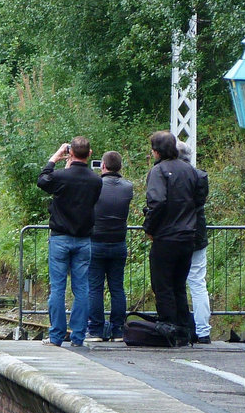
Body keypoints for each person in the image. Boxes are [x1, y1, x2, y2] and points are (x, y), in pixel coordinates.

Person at [37, 136, 103, 347]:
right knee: (81, 289)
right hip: (83, 240)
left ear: (70, 153)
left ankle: (56, 336)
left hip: (60, 239)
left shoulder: (61, 177)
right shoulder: (96, 180)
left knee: (58, 288)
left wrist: (55, 158)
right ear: (90, 154)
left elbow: (42, 180)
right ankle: (78, 337)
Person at [142, 131, 203, 344]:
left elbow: (157, 202)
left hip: (166, 235)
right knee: (179, 285)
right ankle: (184, 329)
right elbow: (197, 200)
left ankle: (168, 328)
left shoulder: (158, 171)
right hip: (187, 235)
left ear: (157, 151)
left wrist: (149, 226)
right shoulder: (190, 170)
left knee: (162, 284)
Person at [87, 151, 133, 342]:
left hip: (96, 241)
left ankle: (96, 330)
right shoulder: (128, 187)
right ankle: (118, 330)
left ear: (103, 166)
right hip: (118, 242)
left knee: (95, 288)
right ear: (120, 167)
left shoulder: (95, 185)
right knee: (117, 288)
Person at [177, 141, 211, 343]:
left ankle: (180, 327)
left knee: (176, 282)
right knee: (198, 283)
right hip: (197, 233)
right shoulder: (201, 176)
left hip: (177, 233)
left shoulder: (171, 175)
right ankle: (203, 329)